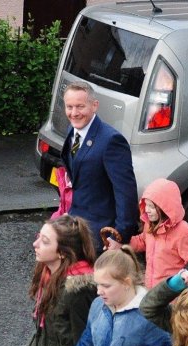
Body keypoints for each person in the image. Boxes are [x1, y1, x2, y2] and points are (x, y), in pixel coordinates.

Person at [55, 246, 177, 346]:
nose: (99, 291)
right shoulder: (98, 306)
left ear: (126, 282)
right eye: (97, 284)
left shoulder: (149, 317)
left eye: (106, 286)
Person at [16, 215, 97, 346]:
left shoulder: (77, 291)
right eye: (39, 236)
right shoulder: (46, 273)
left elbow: (85, 345)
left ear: (62, 253)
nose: (35, 244)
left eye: (44, 242)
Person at [60, 81, 139, 254]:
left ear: (94, 105)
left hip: (100, 236)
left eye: (80, 106)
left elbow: (126, 193)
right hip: (76, 228)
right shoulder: (72, 131)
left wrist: (119, 236)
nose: (74, 113)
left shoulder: (112, 141)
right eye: (69, 107)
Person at [128, 178, 188, 288]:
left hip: (173, 295)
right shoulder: (151, 224)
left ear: (165, 208)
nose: (147, 210)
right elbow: (143, 241)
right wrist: (122, 242)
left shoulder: (183, 232)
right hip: (152, 290)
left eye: (152, 207)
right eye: (146, 205)